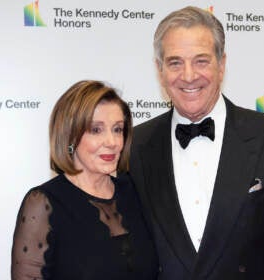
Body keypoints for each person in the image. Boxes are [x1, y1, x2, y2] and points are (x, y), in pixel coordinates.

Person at [129, 6, 264, 280]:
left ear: (222, 64)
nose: (189, 75)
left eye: (201, 61)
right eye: (175, 62)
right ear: (160, 71)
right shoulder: (133, 146)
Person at [11, 80, 158, 279]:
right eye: (96, 130)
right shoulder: (44, 203)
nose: (112, 142)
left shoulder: (134, 190)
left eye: (117, 129)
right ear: (70, 136)